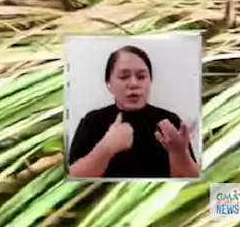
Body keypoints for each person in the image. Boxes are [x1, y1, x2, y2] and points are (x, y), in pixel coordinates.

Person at [68, 45, 200, 179]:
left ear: (150, 81)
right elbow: (72, 179)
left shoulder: (169, 122)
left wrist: (179, 153)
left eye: (141, 77)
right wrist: (107, 147)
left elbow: (192, 182)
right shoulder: (92, 122)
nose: (133, 83)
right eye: (124, 77)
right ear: (109, 83)